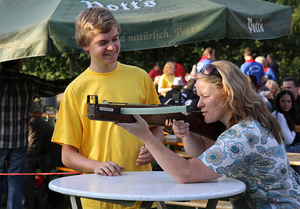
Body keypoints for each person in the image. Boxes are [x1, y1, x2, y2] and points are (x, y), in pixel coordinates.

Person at [116, 61, 300, 208]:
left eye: (205, 96)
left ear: (228, 94)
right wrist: (187, 133)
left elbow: (186, 173)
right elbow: (201, 154)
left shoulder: (243, 134)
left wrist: (146, 137)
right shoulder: (244, 124)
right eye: (198, 96)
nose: (199, 104)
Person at [51, 7, 163, 209]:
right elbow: (67, 156)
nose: (112, 47)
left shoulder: (141, 78)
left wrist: (154, 149)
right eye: (103, 42)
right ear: (85, 45)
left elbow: (157, 128)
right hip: (98, 198)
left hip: (144, 193)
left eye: (115, 39)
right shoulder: (75, 90)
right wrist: (96, 165)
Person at [0, 59, 73, 209]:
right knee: (15, 179)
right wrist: (79, 78)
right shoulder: (29, 81)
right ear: (18, 63)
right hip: (19, 141)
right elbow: (54, 87)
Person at [22, 110, 63, 209]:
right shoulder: (30, 122)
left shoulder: (34, 123)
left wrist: (16, 157)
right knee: (14, 162)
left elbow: (32, 150)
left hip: (53, 157)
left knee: (24, 164)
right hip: (46, 154)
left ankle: (28, 203)